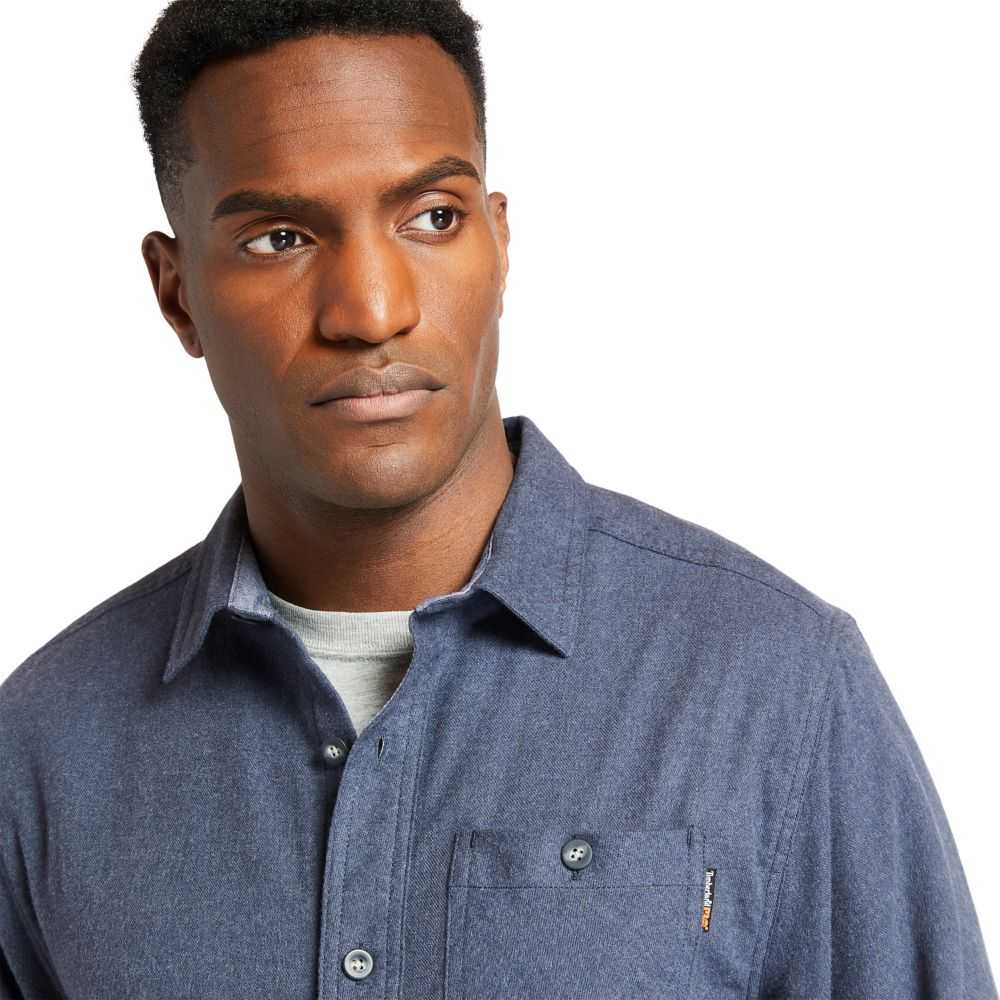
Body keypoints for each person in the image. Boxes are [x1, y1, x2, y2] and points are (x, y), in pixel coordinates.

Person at [1, 1, 995, 997]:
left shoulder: (775, 683)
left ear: (500, 243)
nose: (372, 310)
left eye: (433, 217)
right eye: (281, 237)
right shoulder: (41, 750)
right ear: (177, 293)